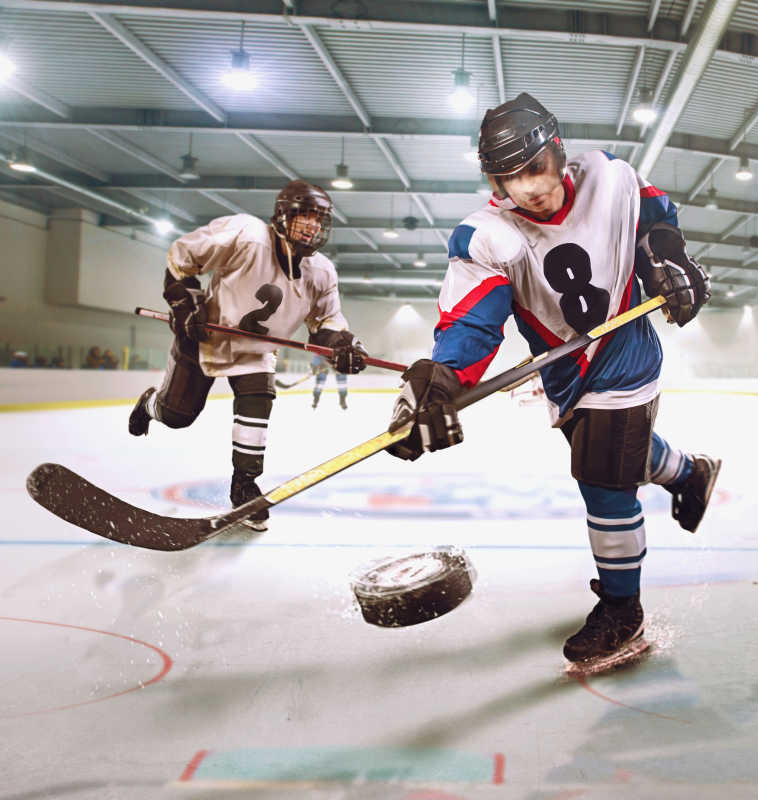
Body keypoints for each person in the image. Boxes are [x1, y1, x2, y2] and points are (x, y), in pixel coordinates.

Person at [385, 93, 720, 665]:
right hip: (564, 375)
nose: (530, 188)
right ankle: (689, 473)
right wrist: (439, 383)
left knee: (602, 480)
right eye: (511, 178)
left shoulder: (610, 176)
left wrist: (669, 260)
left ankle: (623, 611)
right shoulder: (486, 236)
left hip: (625, 353)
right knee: (620, 457)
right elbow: (473, 324)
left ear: (557, 153)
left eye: (536, 168)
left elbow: (654, 217)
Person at [128, 180, 368, 530]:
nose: (314, 225)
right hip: (205, 338)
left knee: (258, 401)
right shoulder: (246, 234)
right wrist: (185, 301)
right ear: (284, 216)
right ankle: (151, 404)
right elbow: (183, 257)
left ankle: (244, 486)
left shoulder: (321, 271)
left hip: (257, 352)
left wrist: (343, 345)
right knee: (178, 416)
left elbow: (326, 322)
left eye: (319, 219)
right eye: (305, 215)